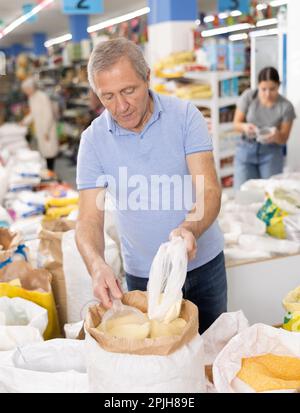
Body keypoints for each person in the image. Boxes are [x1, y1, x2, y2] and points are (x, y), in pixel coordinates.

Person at [75, 38, 226, 334]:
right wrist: (97, 265)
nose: (120, 106)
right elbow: (89, 219)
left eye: (128, 90)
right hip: (144, 277)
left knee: (211, 355)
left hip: (204, 268)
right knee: (159, 366)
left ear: (147, 77)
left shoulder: (185, 116)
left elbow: (208, 189)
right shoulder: (93, 141)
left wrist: (190, 228)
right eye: (107, 97)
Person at [233, 67, 296, 190]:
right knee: (243, 194)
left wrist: (276, 135)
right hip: (246, 150)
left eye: (272, 89)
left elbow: (284, 138)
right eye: (263, 89)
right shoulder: (249, 97)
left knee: (270, 194)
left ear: (279, 86)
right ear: (258, 86)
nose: (267, 94)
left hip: (271, 153)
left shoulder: (286, 107)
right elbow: (236, 124)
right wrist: (245, 127)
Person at [21, 77, 59, 171]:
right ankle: (48, 172)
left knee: (50, 152)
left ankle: (51, 172)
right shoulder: (31, 98)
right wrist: (24, 122)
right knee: (44, 152)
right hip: (40, 128)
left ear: (31, 88)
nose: (25, 92)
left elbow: (49, 115)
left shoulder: (42, 97)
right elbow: (33, 113)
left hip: (47, 128)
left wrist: (46, 131)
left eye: (26, 90)